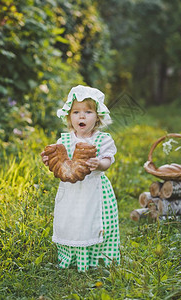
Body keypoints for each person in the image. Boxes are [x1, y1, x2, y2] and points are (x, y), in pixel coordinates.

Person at [41, 85, 120, 272]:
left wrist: (99, 164)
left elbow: (108, 161)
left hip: (95, 190)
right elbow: (59, 162)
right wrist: (49, 159)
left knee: (95, 223)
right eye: (76, 112)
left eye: (88, 111)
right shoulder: (64, 141)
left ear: (98, 116)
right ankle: (71, 255)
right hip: (71, 192)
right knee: (71, 222)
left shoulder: (103, 140)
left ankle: (96, 258)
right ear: (69, 117)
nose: (81, 116)